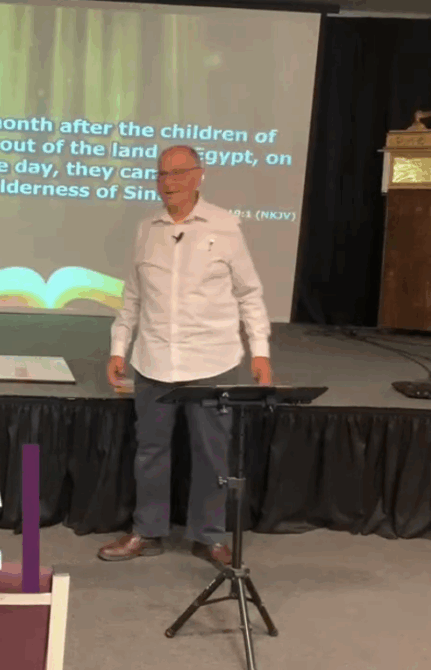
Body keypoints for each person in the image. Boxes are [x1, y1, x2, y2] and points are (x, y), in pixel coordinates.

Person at [98, 145, 271, 567]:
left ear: (198, 176)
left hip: (212, 360)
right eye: (162, 174)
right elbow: (133, 296)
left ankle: (209, 536)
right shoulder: (147, 229)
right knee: (150, 452)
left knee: (212, 455)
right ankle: (147, 531)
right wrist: (119, 346)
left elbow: (249, 293)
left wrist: (260, 352)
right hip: (154, 359)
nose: (168, 182)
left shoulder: (225, 226)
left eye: (177, 173)